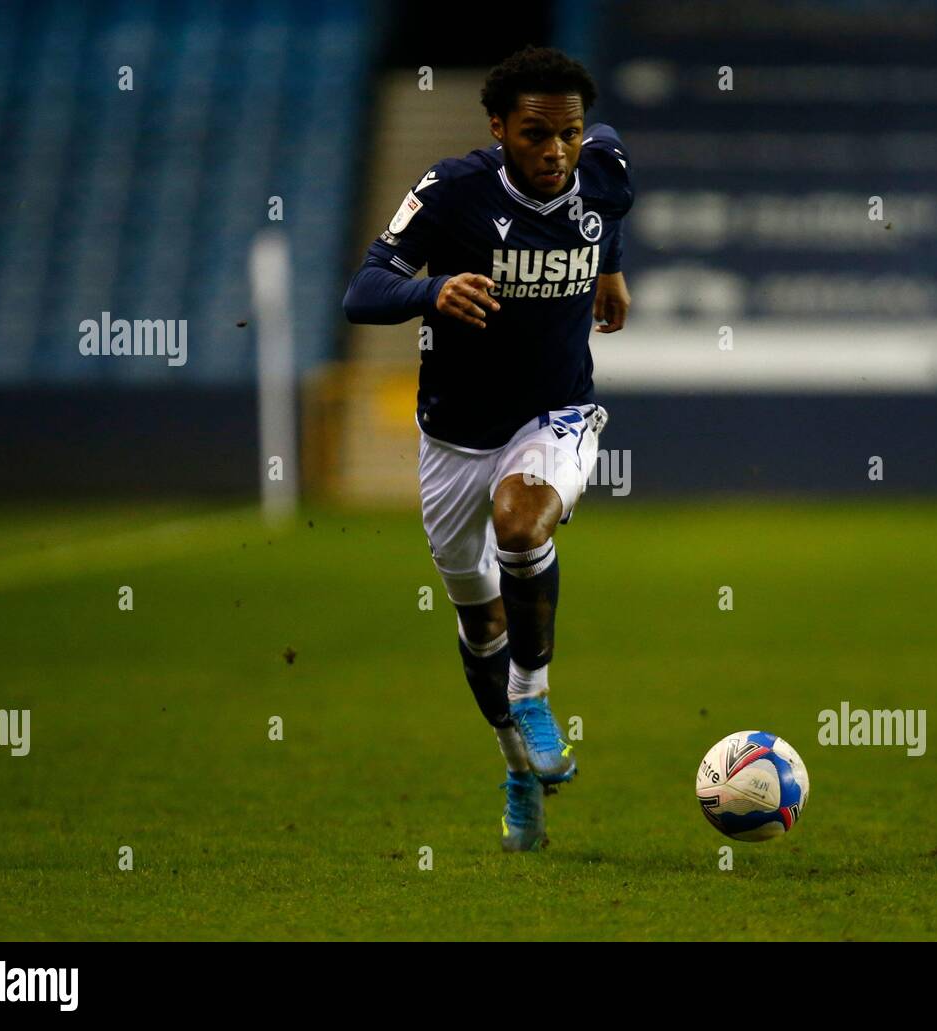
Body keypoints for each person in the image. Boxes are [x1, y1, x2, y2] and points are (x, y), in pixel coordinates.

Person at [343, 45, 635, 851]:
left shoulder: (603, 167)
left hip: (557, 413)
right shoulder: (451, 192)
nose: (556, 152)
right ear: (499, 128)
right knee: (480, 630)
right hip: (452, 436)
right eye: (536, 134)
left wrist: (608, 269)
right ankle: (516, 766)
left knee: (521, 524)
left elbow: (607, 203)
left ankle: (535, 694)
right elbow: (363, 290)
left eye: (568, 134)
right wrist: (431, 289)